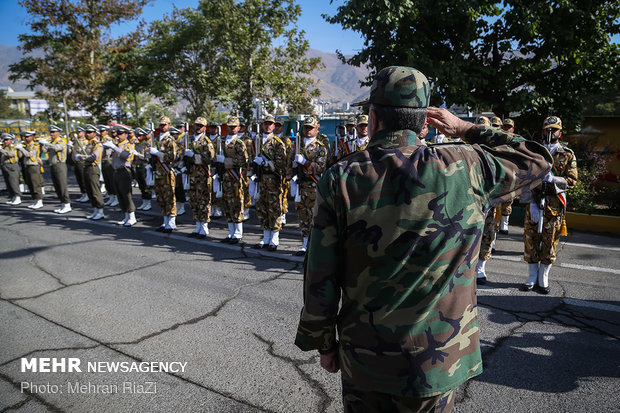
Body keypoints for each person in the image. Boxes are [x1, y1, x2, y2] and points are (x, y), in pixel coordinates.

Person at [295, 66, 552, 413]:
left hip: (366, 359)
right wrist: (467, 129)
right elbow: (537, 159)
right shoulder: (465, 165)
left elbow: (320, 273)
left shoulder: (341, 177)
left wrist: (323, 342)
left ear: (372, 117)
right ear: (427, 122)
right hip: (438, 362)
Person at [521, 115, 578, 294]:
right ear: (543, 130)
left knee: (550, 240)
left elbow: (572, 180)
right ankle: (531, 276)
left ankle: (543, 277)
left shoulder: (567, 154)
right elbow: (524, 177)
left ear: (560, 132)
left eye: (554, 129)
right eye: (547, 129)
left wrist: (554, 179)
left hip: (554, 204)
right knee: (530, 238)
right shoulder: (534, 151)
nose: (550, 132)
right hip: (534, 201)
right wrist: (530, 202)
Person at [290, 116, 328, 255]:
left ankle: (314, 245)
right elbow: (290, 164)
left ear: (317, 129)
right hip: (300, 185)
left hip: (313, 186)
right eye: (305, 127)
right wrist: (291, 177)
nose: (308, 130)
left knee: (314, 216)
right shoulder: (297, 146)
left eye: (311, 128)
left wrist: (304, 162)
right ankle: (304, 244)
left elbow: (320, 168)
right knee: (302, 215)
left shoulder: (320, 148)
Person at [252, 115, 287, 251]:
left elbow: (281, 164)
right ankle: (265, 237)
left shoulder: (277, 143)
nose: (268, 126)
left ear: (274, 126)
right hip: (260, 179)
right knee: (262, 208)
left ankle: (274, 238)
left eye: (270, 124)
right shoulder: (257, 141)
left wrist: (266, 163)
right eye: (266, 124)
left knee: (274, 208)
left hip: (273, 180)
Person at [218, 116, 249, 243]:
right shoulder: (222, 141)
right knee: (227, 204)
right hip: (225, 178)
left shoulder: (239, 143)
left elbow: (244, 160)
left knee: (236, 204)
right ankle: (231, 232)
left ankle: (238, 233)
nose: (232, 129)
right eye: (230, 126)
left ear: (239, 128)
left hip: (235, 178)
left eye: (234, 126)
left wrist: (226, 161)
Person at [185, 116, 215, 238]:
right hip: (192, 175)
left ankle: (204, 227)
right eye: (197, 125)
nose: (198, 128)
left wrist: (193, 156)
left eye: (201, 126)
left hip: (203, 175)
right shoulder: (190, 140)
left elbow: (210, 159)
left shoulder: (207, 142)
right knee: (194, 200)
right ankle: (197, 225)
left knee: (203, 201)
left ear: (204, 128)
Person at [150, 116, 178, 233]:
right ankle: (165, 221)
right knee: (161, 197)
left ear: (169, 125)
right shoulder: (156, 139)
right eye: (161, 125)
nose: (162, 126)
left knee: (169, 197)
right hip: (158, 172)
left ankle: (171, 223)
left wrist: (157, 153)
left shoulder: (170, 140)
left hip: (167, 172)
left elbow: (172, 157)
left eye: (164, 124)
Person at [105, 125, 136, 226]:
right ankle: (126, 216)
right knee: (119, 194)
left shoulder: (128, 145)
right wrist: (107, 147)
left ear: (126, 135)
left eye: (121, 134)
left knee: (127, 195)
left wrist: (114, 147)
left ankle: (132, 216)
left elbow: (126, 156)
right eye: (117, 134)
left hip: (124, 171)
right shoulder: (117, 144)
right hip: (116, 171)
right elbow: (108, 155)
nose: (118, 136)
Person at [75, 124, 105, 220]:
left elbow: (94, 157)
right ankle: (95, 209)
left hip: (93, 168)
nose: (87, 134)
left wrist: (81, 157)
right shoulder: (88, 144)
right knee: (89, 190)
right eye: (86, 132)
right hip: (86, 167)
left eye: (89, 132)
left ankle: (100, 210)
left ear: (94, 133)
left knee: (95, 190)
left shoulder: (97, 144)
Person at [40, 124, 72, 214]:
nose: (52, 134)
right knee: (57, 186)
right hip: (53, 165)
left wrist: (47, 144)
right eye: (51, 132)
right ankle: (62, 203)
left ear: (58, 133)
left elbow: (57, 148)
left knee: (62, 185)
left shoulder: (61, 141)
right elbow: (44, 151)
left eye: (53, 132)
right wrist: (42, 145)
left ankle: (67, 204)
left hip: (60, 165)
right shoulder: (52, 142)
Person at [15, 130, 44, 209]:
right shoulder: (26, 145)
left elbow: (29, 154)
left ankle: (39, 200)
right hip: (27, 166)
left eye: (27, 137)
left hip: (33, 166)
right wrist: (19, 149)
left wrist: (21, 149)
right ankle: (35, 200)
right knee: (30, 184)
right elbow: (21, 156)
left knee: (35, 184)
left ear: (32, 137)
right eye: (25, 137)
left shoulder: (35, 145)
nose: (25, 138)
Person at [498, 118, 516, 234]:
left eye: (509, 127)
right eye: (505, 127)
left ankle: (504, 224)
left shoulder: (516, 142)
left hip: (510, 174)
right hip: (499, 173)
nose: (507, 129)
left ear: (513, 129)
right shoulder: (497, 140)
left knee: (508, 200)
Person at [132, 128, 153, 211]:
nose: (139, 137)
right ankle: (144, 202)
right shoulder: (136, 144)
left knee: (146, 186)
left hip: (144, 166)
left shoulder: (146, 145)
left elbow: (147, 158)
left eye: (140, 135)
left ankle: (148, 202)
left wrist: (138, 154)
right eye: (138, 135)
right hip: (137, 166)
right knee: (141, 186)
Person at [1, 133, 22, 205]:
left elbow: (11, 154)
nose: (5, 141)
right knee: (8, 182)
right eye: (4, 140)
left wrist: (1, 150)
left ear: (11, 140)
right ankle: (13, 197)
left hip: (12, 166)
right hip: (5, 165)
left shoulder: (12, 147)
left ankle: (17, 197)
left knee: (13, 182)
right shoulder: (4, 147)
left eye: (7, 140)